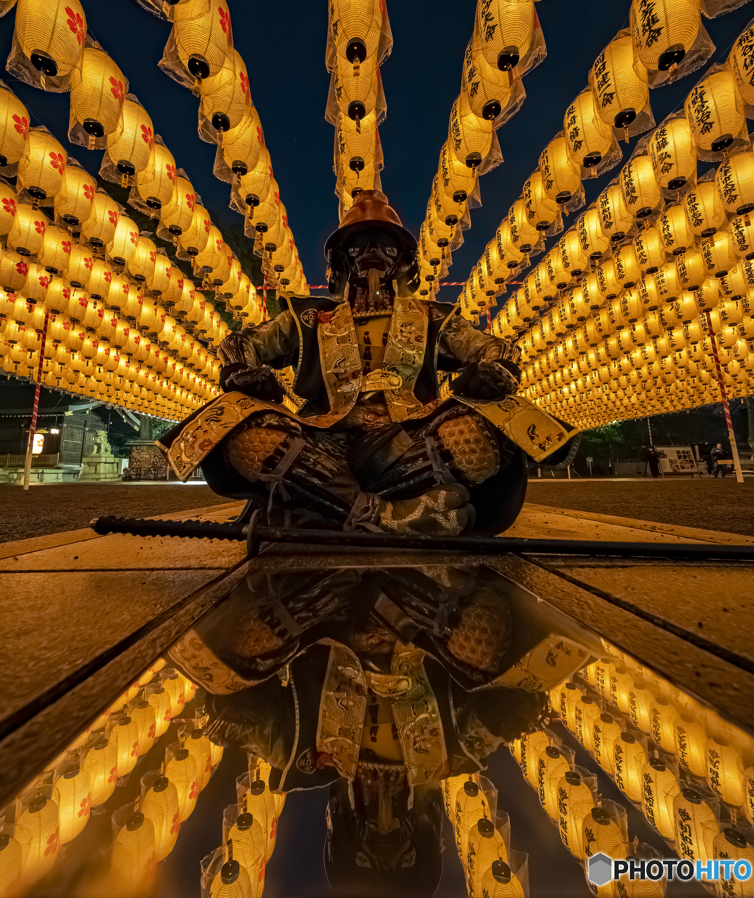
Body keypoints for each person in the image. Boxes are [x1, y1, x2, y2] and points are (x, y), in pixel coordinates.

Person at [158, 191, 571, 537]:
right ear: (343, 258)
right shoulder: (308, 317)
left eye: (384, 244)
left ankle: (321, 508)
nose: (372, 253)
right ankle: (391, 516)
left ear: (402, 259)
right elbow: (238, 345)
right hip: (322, 443)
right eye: (360, 244)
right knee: (243, 429)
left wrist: (495, 370)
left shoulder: (432, 317)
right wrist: (242, 372)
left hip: (413, 441)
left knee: (482, 430)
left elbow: (497, 349)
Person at [165, 566, 593, 897]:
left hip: (324, 602)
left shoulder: (300, 756)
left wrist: (237, 704)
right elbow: (506, 709)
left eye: (367, 855)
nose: (384, 834)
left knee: (247, 641)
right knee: (480, 641)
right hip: (424, 601)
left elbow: (230, 712)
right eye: (400, 857)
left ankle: (333, 577)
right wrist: (510, 708)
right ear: (425, 838)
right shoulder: (456, 750)